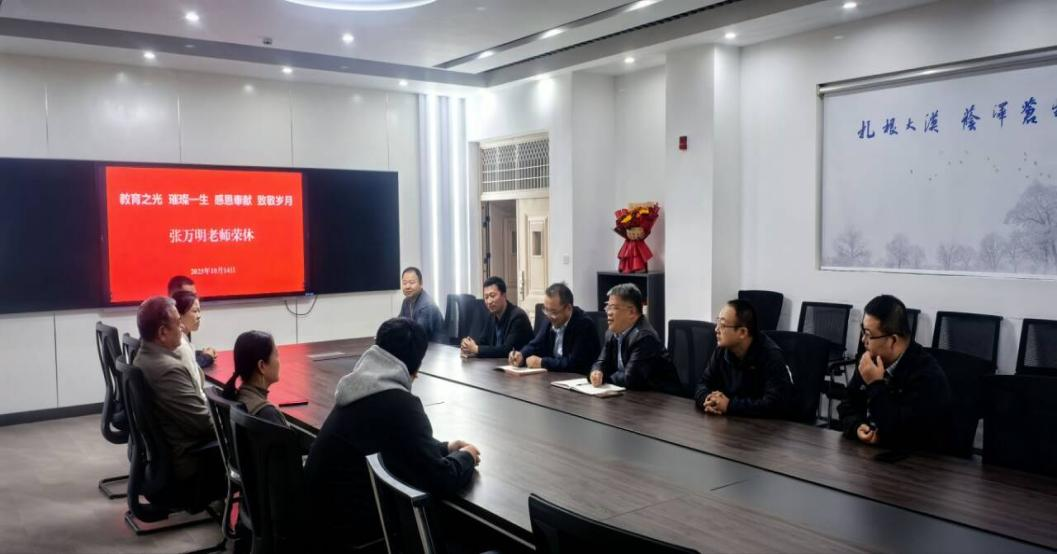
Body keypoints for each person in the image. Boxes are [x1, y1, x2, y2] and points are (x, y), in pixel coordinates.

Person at [304, 318, 481, 550]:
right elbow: (440, 479)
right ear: (415, 368)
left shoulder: (358, 387)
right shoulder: (400, 405)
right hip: (356, 538)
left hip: (318, 529)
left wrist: (445, 448)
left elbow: (399, 447)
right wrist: (466, 456)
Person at [132, 295, 224, 509]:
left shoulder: (144, 356)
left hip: (167, 460)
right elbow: (205, 426)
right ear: (162, 332)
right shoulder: (167, 370)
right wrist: (236, 422)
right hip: (190, 466)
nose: (182, 327)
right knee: (257, 445)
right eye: (177, 323)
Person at [838, 294, 954, 454]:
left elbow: (900, 433)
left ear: (892, 340)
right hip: (869, 456)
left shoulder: (927, 377)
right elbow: (846, 405)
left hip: (915, 463)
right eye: (863, 331)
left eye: (869, 334)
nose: (863, 340)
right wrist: (857, 426)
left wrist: (875, 385)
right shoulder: (871, 359)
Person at [693, 299, 794, 418]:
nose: (716, 329)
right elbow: (703, 384)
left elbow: (774, 405)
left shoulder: (771, 356)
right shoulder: (721, 349)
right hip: (731, 420)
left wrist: (730, 405)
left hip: (764, 427)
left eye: (723, 325)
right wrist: (708, 400)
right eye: (717, 322)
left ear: (742, 332)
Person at [589, 283, 681, 394]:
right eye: (608, 307)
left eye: (614, 308)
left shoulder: (644, 337)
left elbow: (631, 378)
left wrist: (603, 377)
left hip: (662, 398)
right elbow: (601, 361)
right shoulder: (611, 333)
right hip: (632, 395)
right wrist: (597, 371)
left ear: (632, 312)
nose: (608, 313)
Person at [509, 282, 601, 374]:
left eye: (554, 312)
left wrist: (543, 362)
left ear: (568, 308)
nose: (549, 316)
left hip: (578, 378)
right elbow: (536, 345)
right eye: (546, 310)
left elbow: (574, 363)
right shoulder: (549, 319)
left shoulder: (584, 325)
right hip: (554, 377)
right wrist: (521, 355)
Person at [221, 330, 286, 425]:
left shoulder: (238, 397)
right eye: (276, 355)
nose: (279, 361)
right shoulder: (268, 415)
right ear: (262, 366)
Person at [460, 276, 533, 359]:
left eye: (492, 296)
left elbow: (506, 350)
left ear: (504, 295)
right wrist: (468, 346)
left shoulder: (518, 317)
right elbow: (484, 341)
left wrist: (476, 349)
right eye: (486, 297)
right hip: (498, 363)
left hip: (518, 364)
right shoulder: (492, 315)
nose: (489, 301)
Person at [398, 266, 446, 343]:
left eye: (412, 282)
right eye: (404, 283)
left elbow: (418, 334)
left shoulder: (426, 306)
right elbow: (399, 324)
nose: (407, 286)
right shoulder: (406, 301)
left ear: (421, 283)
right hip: (420, 345)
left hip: (436, 346)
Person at [172, 290, 217, 369]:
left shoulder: (184, 336)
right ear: (179, 315)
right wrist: (207, 356)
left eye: (199, 311)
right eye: (195, 311)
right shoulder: (178, 342)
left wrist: (203, 353)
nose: (199, 316)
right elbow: (189, 368)